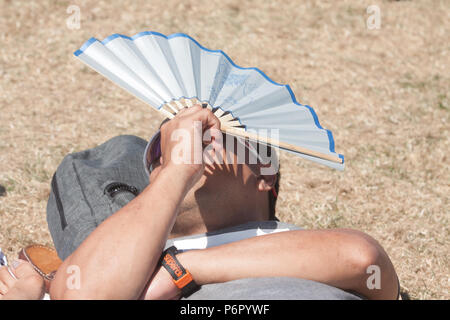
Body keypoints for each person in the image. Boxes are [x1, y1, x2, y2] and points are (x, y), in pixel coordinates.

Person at [1, 105, 399, 300]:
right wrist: (175, 174)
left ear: (264, 175)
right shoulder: (120, 247)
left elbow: (361, 258)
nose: (179, 150)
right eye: (166, 144)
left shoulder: (297, 247)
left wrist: (179, 267)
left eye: (208, 137)